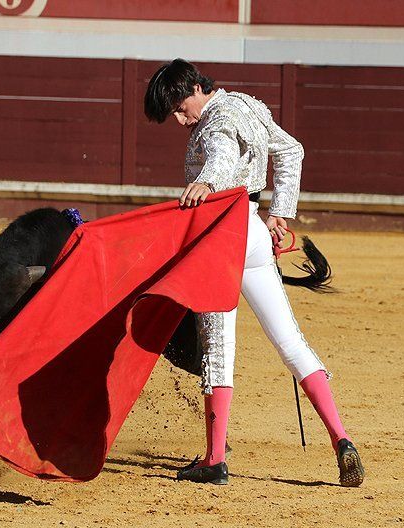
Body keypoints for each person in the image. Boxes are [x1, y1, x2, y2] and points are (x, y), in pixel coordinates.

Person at [144, 59, 364, 487]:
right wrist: (279, 213)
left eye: (177, 106)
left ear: (193, 87)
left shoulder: (214, 121)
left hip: (221, 236)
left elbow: (222, 154)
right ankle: (342, 440)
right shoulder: (248, 105)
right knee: (291, 343)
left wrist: (208, 182)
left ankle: (213, 459)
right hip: (254, 233)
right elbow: (291, 150)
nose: (177, 118)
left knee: (218, 350)